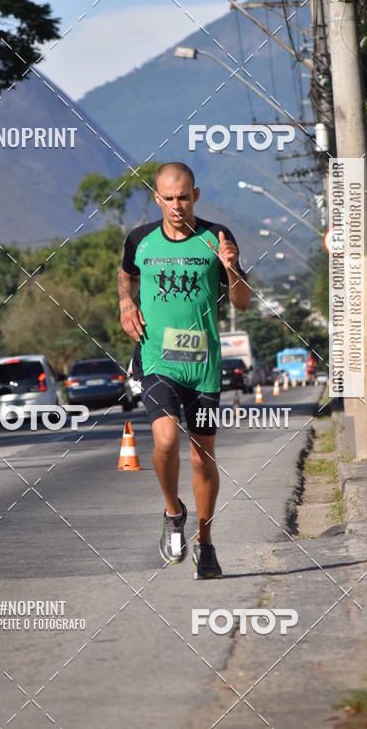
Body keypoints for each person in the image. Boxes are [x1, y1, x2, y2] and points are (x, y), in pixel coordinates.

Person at [118, 162, 251, 579]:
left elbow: (243, 302)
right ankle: (174, 512)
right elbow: (126, 276)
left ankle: (205, 542)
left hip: (204, 367)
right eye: (168, 198)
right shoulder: (139, 239)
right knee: (165, 436)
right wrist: (126, 303)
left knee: (202, 458)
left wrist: (230, 267)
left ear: (195, 194)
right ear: (157, 199)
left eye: (183, 197)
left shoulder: (217, 237)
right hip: (158, 359)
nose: (176, 206)